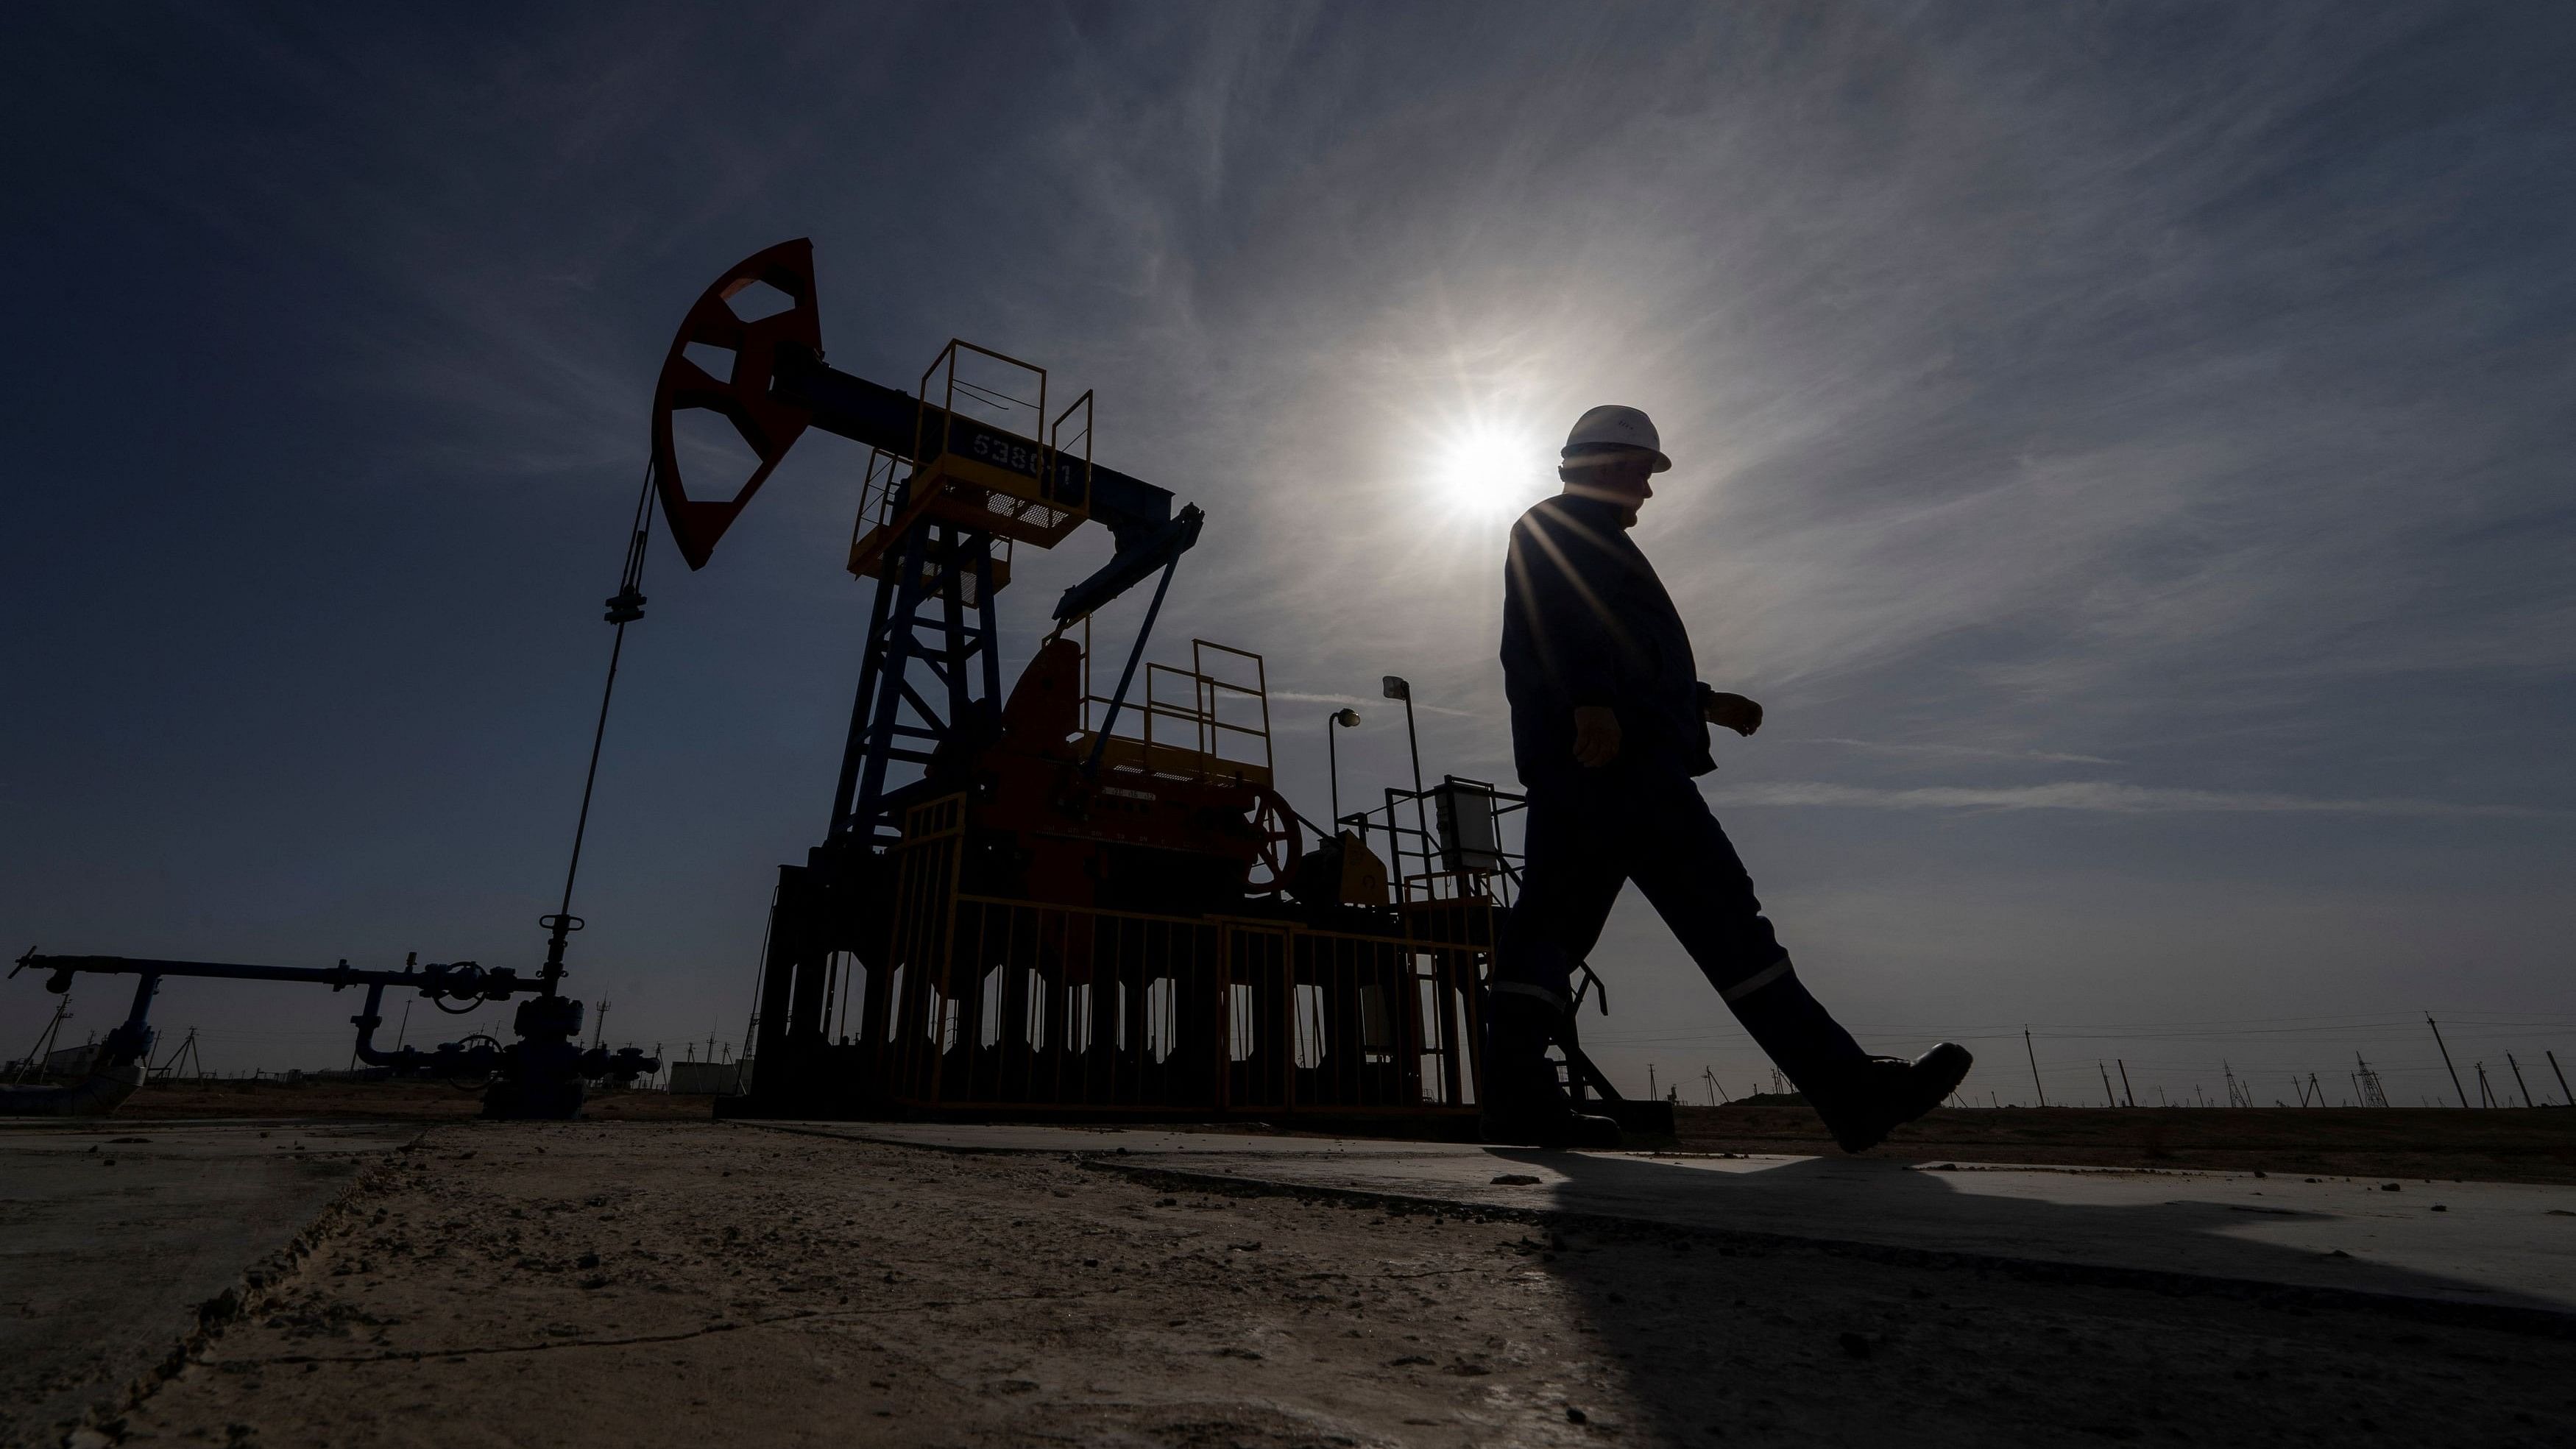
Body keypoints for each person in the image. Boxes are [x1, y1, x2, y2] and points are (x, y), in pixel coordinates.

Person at [1487, 404, 1971, 1150]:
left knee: (1550, 930)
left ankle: (1517, 1097)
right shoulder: (1560, 528)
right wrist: (1590, 702)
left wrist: (1703, 701)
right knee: (1721, 922)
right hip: (1621, 767)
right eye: (1642, 473)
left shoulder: (1586, 538)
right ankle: (1851, 1093)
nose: (1647, 491)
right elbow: (1566, 620)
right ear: (1610, 465)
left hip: (1591, 765)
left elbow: (1623, 652)